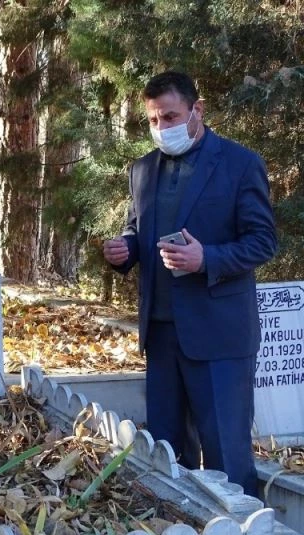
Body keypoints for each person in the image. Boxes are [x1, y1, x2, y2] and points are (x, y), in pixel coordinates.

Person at [102, 71, 277, 497]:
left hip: (219, 337)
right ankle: (179, 526)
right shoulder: (143, 170)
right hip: (162, 335)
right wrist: (126, 249)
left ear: (197, 110)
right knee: (167, 455)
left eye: (170, 116)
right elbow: (137, 229)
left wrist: (207, 258)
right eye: (153, 120)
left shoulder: (239, 164)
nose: (161, 127)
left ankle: (243, 531)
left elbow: (262, 241)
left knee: (227, 459)